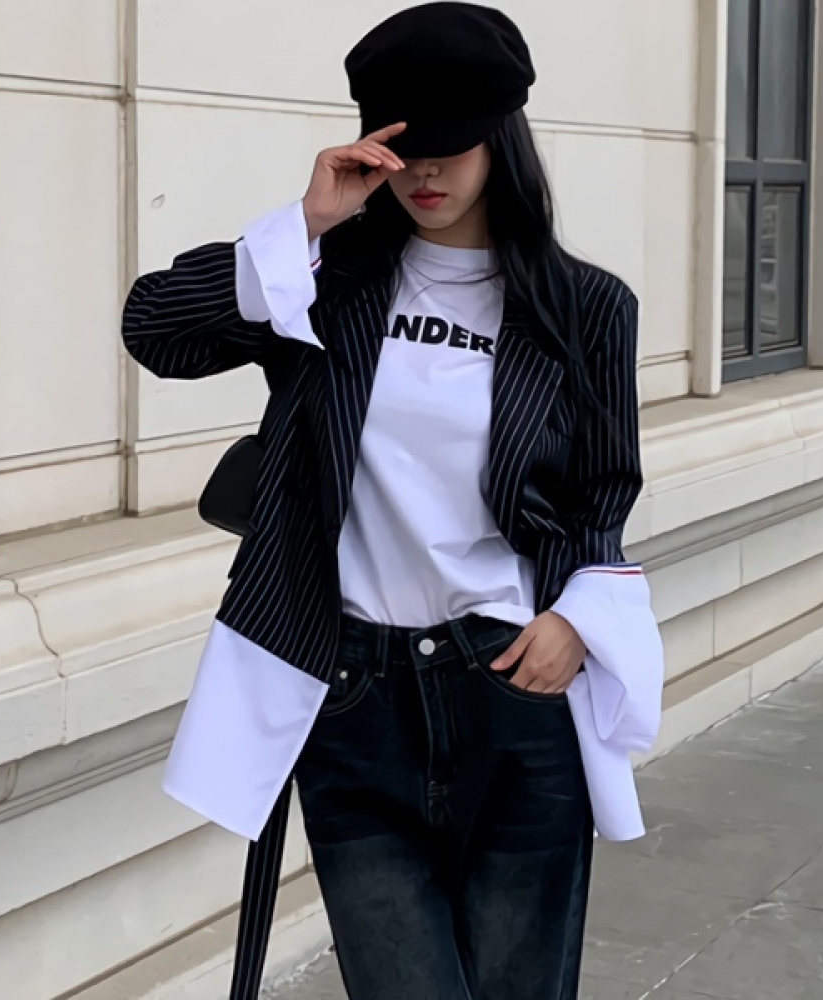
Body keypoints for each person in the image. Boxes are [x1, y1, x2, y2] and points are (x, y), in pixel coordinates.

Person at [121, 4, 664, 998]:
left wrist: (575, 623)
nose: (426, 172)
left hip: (508, 683)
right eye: (404, 148)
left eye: (452, 145)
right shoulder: (327, 282)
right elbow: (156, 328)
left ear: (500, 138)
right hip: (353, 691)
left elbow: (600, 494)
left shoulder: (585, 307)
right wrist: (308, 223)